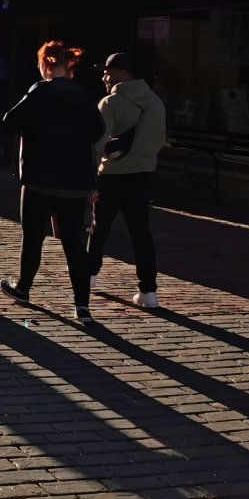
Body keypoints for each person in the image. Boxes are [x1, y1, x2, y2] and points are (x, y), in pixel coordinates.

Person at [0, 40, 104, 323]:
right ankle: (82, 305)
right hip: (74, 181)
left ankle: (23, 288)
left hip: (40, 179)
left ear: (45, 64)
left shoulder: (39, 93)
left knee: (33, 237)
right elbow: (97, 131)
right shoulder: (83, 98)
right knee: (74, 244)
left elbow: (9, 122)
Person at [88, 53, 167, 308]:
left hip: (111, 175)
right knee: (141, 231)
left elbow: (97, 144)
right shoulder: (156, 103)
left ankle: (88, 278)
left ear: (123, 73)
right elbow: (158, 141)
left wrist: (90, 175)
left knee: (100, 228)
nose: (104, 76)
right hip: (143, 175)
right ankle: (149, 291)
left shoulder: (110, 102)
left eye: (108, 72)